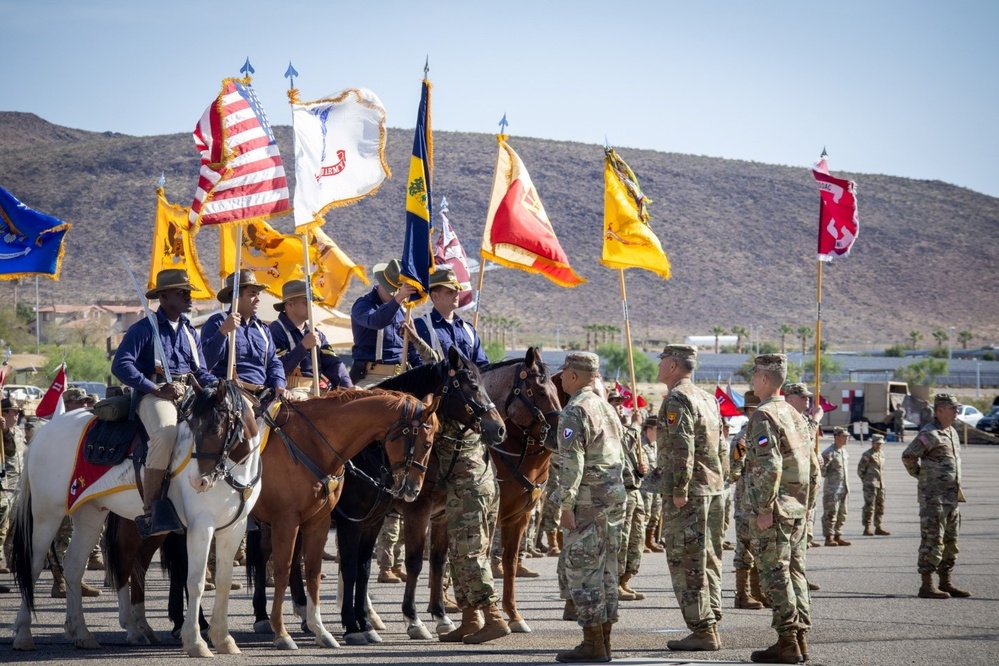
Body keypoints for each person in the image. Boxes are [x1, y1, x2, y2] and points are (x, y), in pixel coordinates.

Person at [111, 268, 219, 538]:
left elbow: (200, 370)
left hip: (189, 393)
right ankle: (152, 508)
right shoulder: (144, 329)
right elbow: (121, 365)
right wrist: (154, 388)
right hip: (153, 396)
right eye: (182, 292)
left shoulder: (190, 332)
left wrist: (217, 385)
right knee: (167, 432)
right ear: (163, 296)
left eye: (189, 291)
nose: (188, 296)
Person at [650, 344, 726, 652]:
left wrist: (679, 489)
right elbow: (721, 445)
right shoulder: (707, 398)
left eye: (662, 362)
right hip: (712, 488)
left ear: (673, 366)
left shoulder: (678, 399)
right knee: (708, 558)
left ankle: (702, 629)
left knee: (686, 561)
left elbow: (682, 448)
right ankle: (711, 621)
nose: (658, 367)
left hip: (689, 493)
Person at [555, 352, 626, 663]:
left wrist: (566, 504)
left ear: (573, 375)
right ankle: (604, 641)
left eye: (563, 373)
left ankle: (592, 644)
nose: (559, 378)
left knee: (583, 570)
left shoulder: (575, 410)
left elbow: (572, 463)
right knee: (609, 570)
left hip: (588, 500)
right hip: (614, 496)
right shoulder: (605, 407)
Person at [743, 354, 813, 664]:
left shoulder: (764, 415)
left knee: (775, 573)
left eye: (754, 375)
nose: (752, 380)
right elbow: (812, 463)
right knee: (795, 572)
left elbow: (768, 466)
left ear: (764, 379)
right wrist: (806, 503)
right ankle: (799, 639)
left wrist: (763, 507)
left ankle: (787, 641)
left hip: (776, 509)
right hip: (796, 506)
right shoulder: (793, 413)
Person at [901, 393, 970, 599]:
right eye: (953, 408)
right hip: (934, 498)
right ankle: (927, 585)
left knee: (951, 540)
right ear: (940, 410)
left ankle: (946, 582)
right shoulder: (930, 434)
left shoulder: (951, 432)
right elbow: (908, 456)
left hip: (952, 497)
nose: (956, 411)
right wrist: (923, 478)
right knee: (933, 540)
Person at [201, 269, 286, 398]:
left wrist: (279, 385)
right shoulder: (216, 323)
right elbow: (205, 362)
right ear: (235, 296)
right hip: (232, 395)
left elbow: (273, 363)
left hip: (263, 395)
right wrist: (222, 332)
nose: (258, 299)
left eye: (258, 294)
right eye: (252, 294)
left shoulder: (263, 329)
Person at [268, 278, 352, 395]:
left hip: (319, 390)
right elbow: (277, 367)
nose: (311, 306)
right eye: (305, 302)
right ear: (290, 304)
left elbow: (333, 363)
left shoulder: (317, 334)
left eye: (311, 302)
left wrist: (348, 387)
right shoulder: (275, 331)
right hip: (290, 391)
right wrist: (303, 347)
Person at [349, 259, 423, 387]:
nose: (396, 295)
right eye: (394, 291)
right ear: (381, 283)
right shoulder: (363, 305)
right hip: (370, 378)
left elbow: (413, 348)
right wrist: (398, 298)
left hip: (401, 377)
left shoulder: (404, 312)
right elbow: (376, 321)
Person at [609, 389, 648, 603]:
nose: (619, 407)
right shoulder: (611, 427)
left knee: (636, 539)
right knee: (621, 540)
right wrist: (636, 425)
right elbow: (623, 441)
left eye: (621, 403)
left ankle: (626, 579)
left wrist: (640, 470)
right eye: (614, 403)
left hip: (634, 490)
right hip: (620, 492)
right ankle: (615, 583)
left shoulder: (625, 429)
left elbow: (628, 460)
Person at [729, 390, 767, 610]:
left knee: (758, 548)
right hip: (745, 502)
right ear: (750, 412)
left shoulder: (762, 434)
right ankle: (742, 595)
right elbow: (733, 469)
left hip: (760, 501)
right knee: (744, 549)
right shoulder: (742, 438)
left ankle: (757, 592)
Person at [413, 267, 489, 368]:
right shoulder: (420, 327)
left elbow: (483, 366)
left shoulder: (468, 330)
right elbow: (418, 366)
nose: (456, 295)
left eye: (457, 290)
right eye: (450, 292)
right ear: (435, 296)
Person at [821, 427, 852, 547]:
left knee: (842, 513)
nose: (846, 439)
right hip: (832, 489)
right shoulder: (829, 453)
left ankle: (838, 536)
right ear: (836, 437)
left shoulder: (844, 452)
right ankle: (829, 537)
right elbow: (821, 471)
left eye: (847, 437)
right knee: (830, 513)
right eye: (844, 436)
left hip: (844, 488)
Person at [640, 415, 664, 554]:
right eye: (657, 429)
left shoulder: (657, 445)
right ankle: (641, 542)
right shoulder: (641, 445)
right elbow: (644, 467)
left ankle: (651, 540)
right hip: (645, 486)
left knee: (655, 514)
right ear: (648, 430)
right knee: (645, 514)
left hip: (656, 486)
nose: (660, 432)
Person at [858, 433, 890, 536]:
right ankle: (867, 527)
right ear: (873, 443)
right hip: (870, 484)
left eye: (881, 444)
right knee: (869, 506)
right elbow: (860, 470)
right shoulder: (867, 455)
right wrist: (866, 481)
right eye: (877, 444)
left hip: (881, 484)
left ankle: (878, 526)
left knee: (880, 506)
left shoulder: (882, 454)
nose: (879, 446)